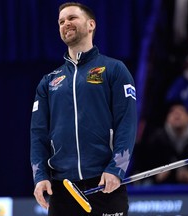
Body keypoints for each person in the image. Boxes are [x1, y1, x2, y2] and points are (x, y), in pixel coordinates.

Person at [30, 2, 137, 216]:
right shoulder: (49, 82)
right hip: (63, 189)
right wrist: (40, 176)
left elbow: (127, 122)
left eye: (71, 18)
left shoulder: (114, 69)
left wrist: (117, 169)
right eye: (61, 21)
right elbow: (38, 134)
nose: (65, 24)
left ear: (91, 25)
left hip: (104, 184)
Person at [137, 103, 188, 185]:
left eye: (181, 111)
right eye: (172, 112)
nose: (177, 114)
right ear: (167, 118)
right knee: (146, 184)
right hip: (163, 185)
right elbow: (143, 166)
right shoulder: (156, 139)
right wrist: (156, 175)